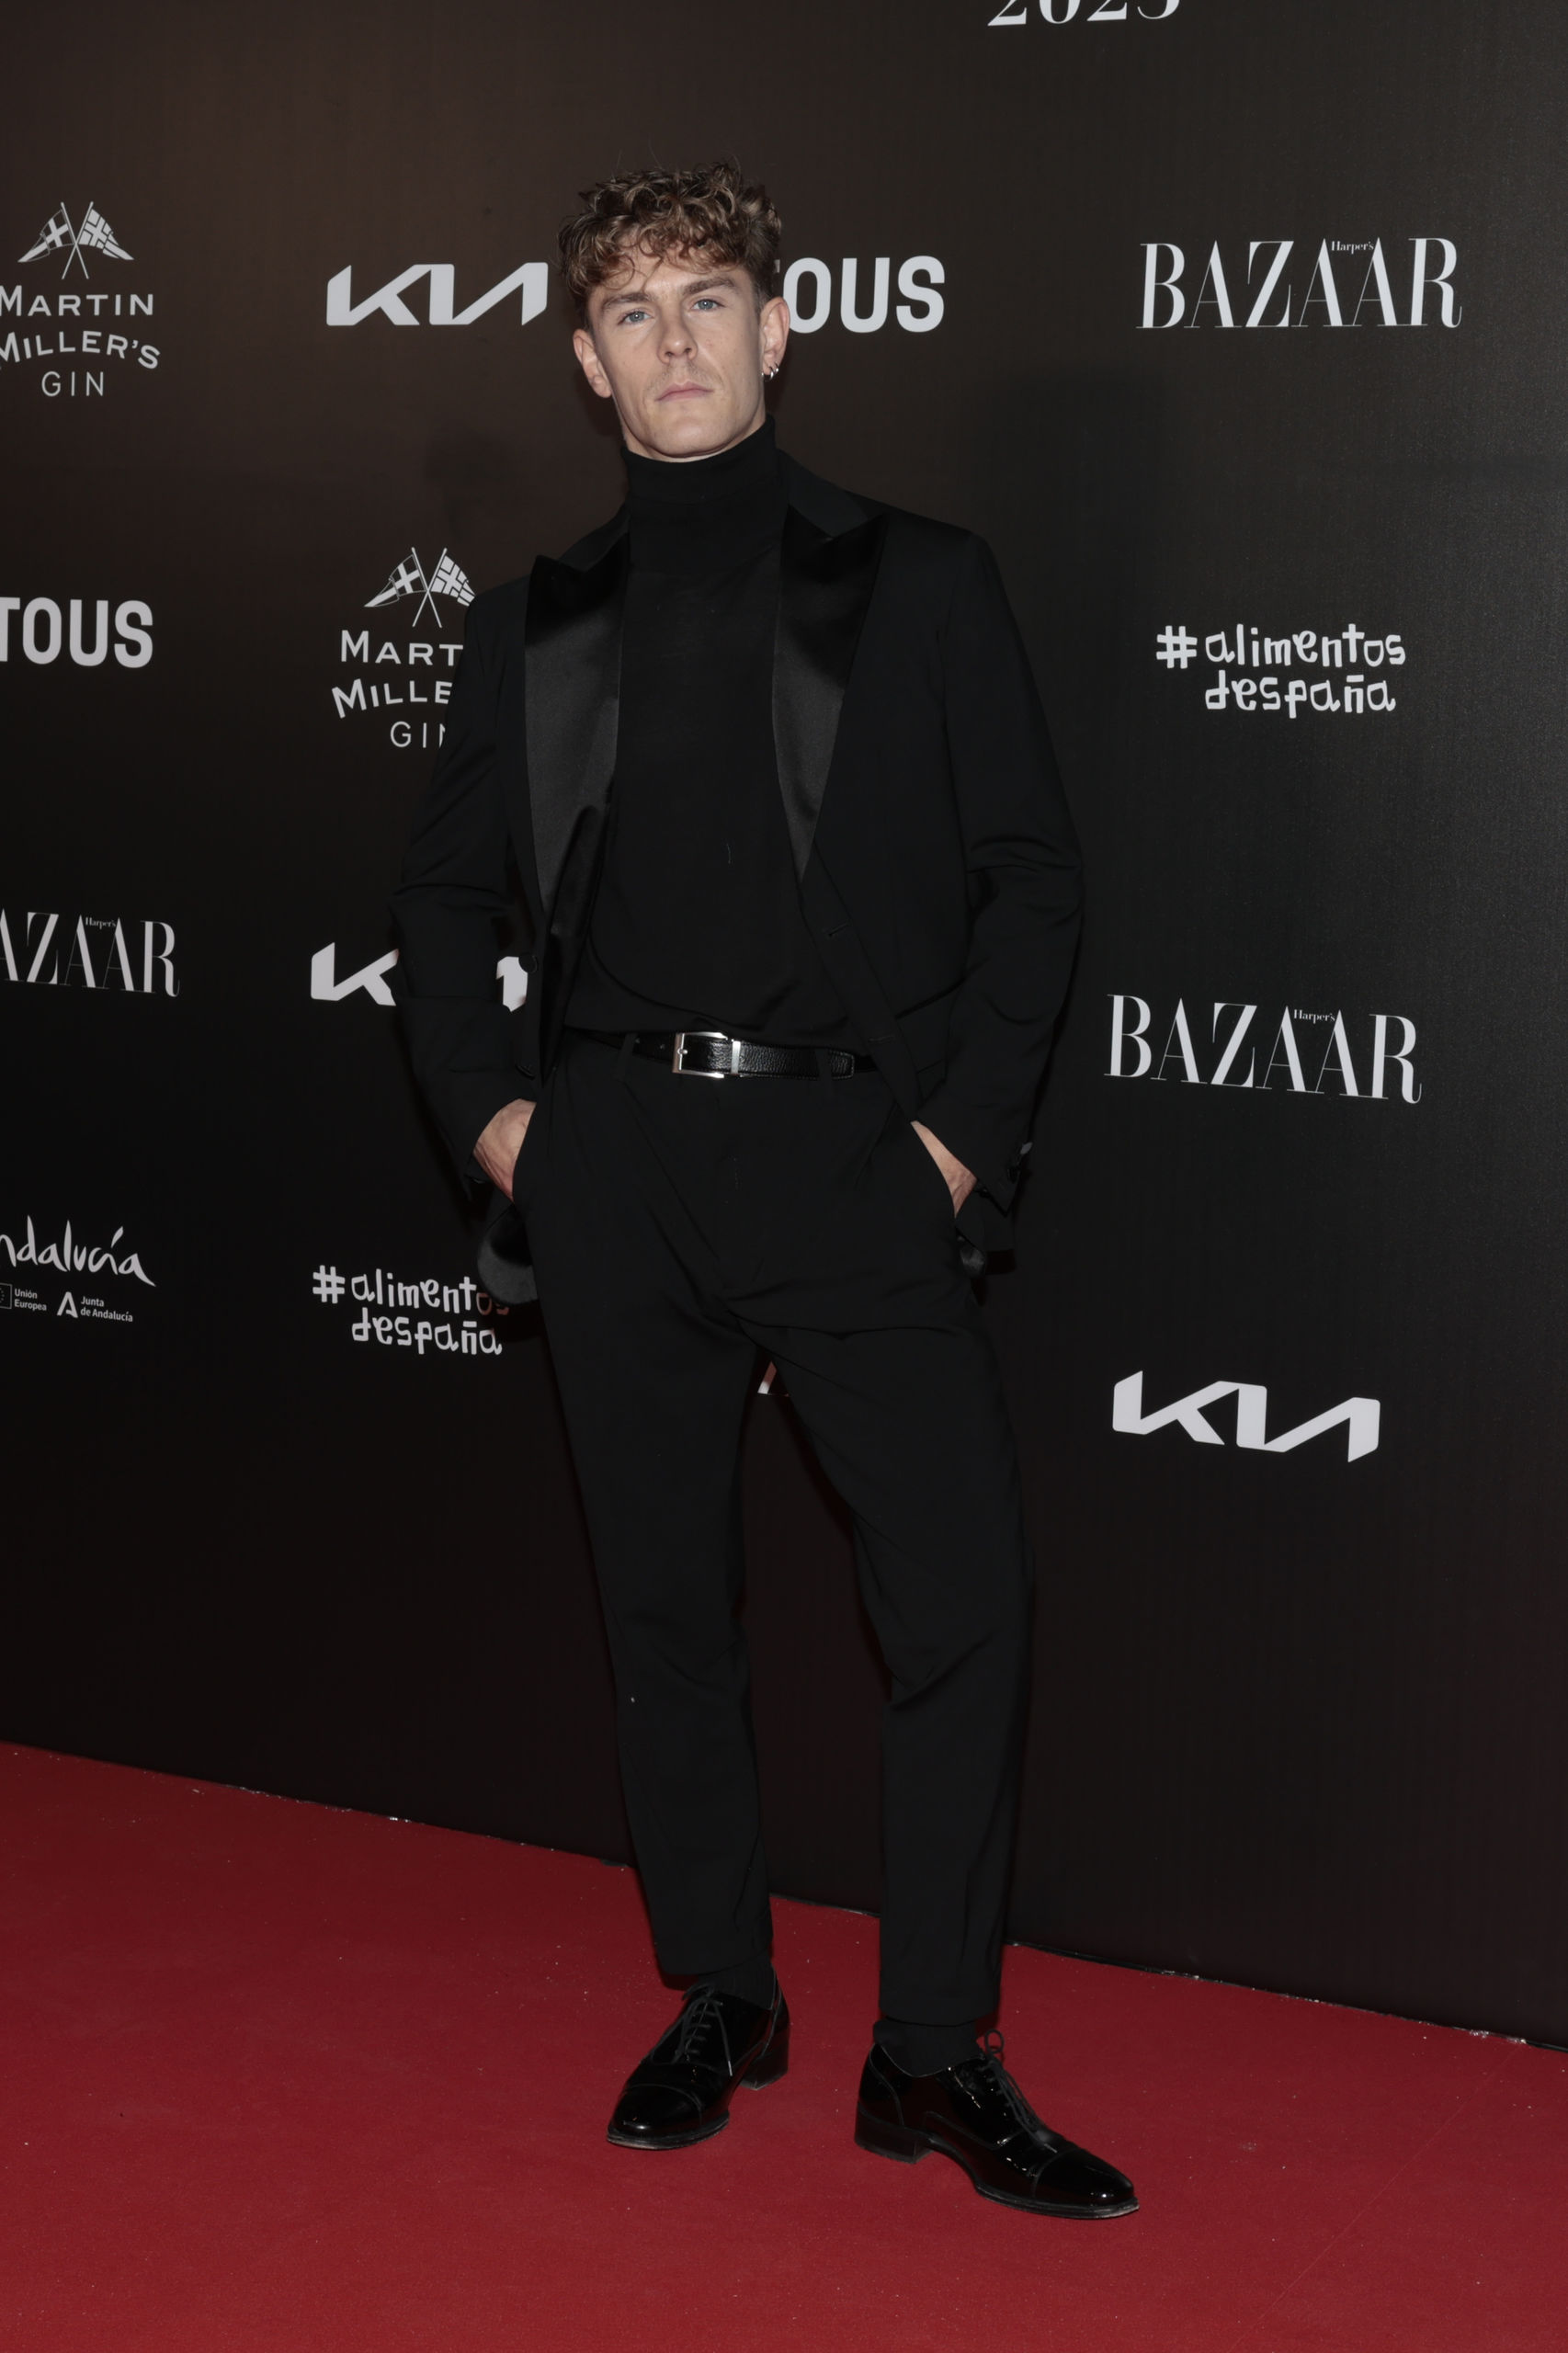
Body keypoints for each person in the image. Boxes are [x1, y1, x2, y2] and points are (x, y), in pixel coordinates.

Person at [391, 161, 1134, 2220]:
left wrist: (951, 1141)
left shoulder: (921, 581)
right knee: (664, 1609)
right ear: (585, 359)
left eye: (707, 299)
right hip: (617, 1161)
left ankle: (933, 2050)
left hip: (848, 1159)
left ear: (778, 327)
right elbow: (441, 899)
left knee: (965, 1600)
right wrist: (501, 1121)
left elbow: (1032, 882)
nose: (675, 342)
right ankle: (723, 1989)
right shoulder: (531, 622)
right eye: (632, 312)